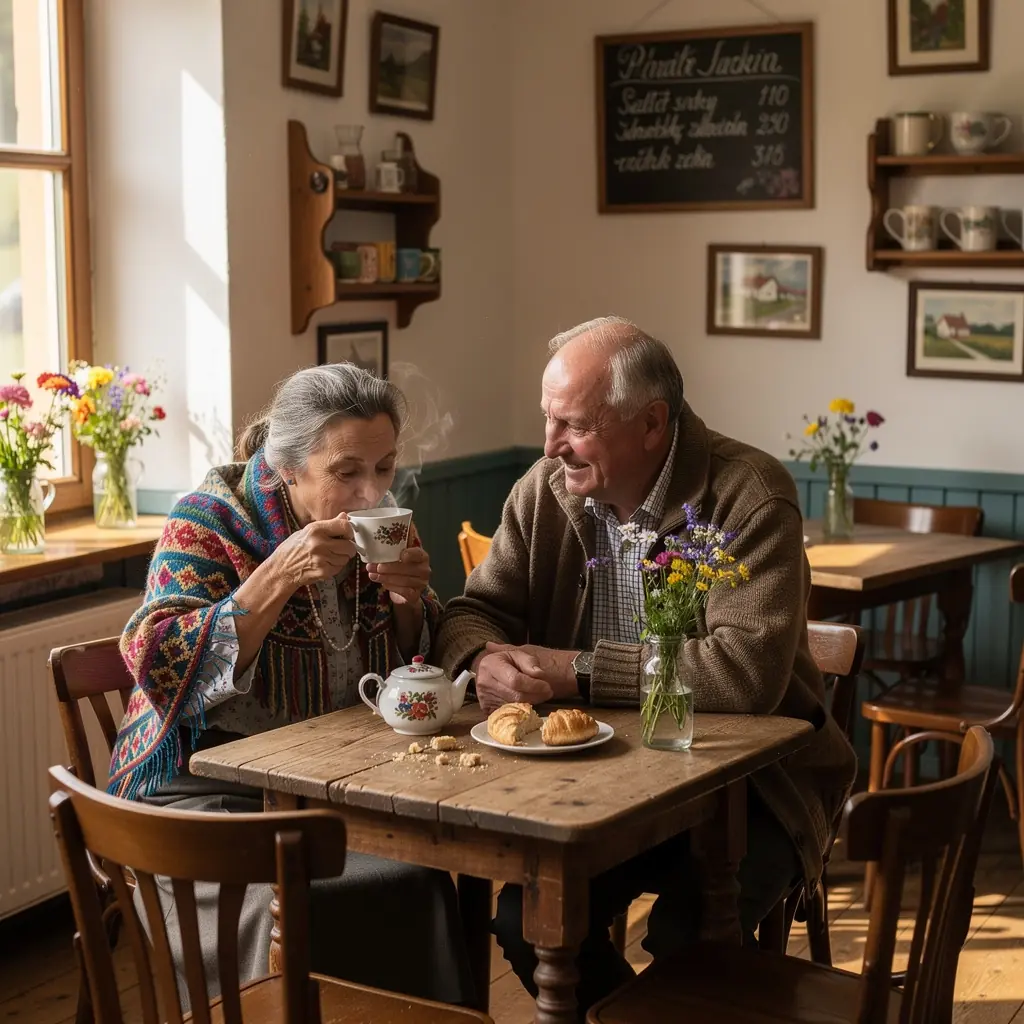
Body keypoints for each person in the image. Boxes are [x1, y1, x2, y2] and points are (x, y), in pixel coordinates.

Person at [436, 317, 857, 1017]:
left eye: (571, 424)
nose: (549, 446)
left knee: (687, 936)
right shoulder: (546, 489)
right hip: (598, 790)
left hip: (753, 788)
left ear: (652, 424)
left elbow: (745, 672)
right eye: (548, 420)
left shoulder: (749, 493)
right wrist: (484, 657)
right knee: (522, 922)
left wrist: (576, 670)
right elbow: (471, 611)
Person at [107, 363, 475, 1007]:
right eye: (346, 472)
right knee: (300, 896)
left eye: (384, 468)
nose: (370, 495)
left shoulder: (377, 530)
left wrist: (409, 602)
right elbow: (157, 658)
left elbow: (407, 666)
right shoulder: (210, 520)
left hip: (324, 789)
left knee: (419, 881)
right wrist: (276, 576)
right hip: (204, 798)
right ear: (286, 465)